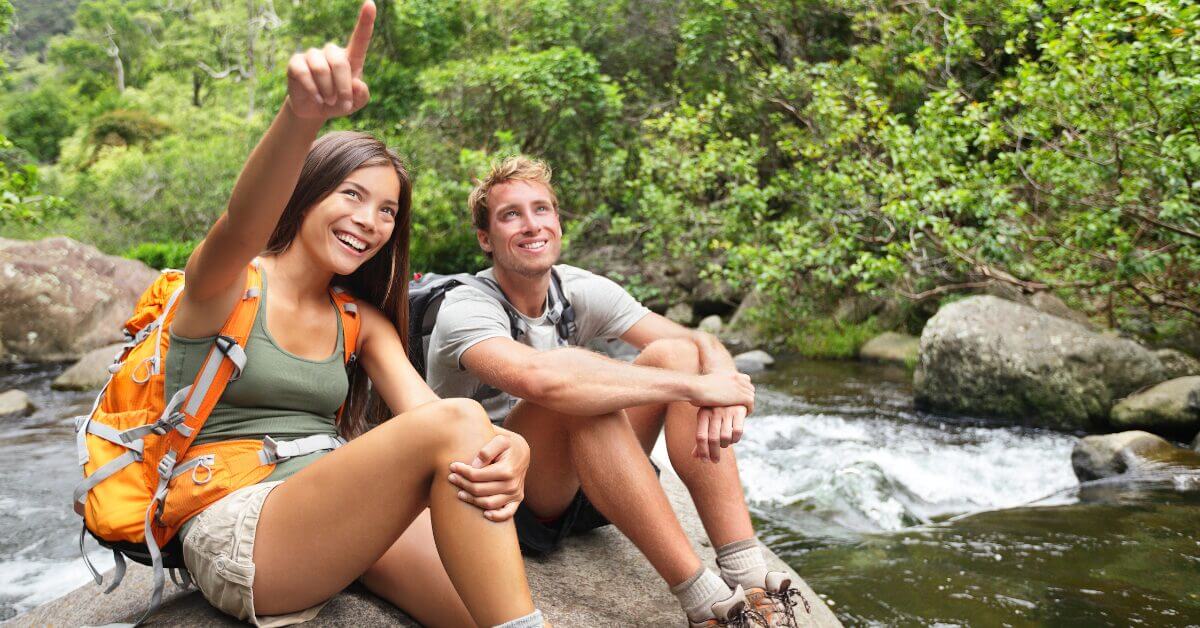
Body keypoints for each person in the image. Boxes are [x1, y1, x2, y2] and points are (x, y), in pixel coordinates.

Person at [167, 3, 546, 626]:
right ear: (306, 194)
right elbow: (241, 225)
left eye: (387, 211)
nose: (369, 221)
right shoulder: (225, 283)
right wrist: (302, 117)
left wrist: (514, 449)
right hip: (238, 521)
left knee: (486, 609)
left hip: (338, 506)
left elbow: (433, 418)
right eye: (352, 194)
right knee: (462, 423)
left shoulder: (360, 321)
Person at [425, 156, 804, 627]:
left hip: (590, 483)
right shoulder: (465, 307)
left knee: (674, 354)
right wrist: (696, 386)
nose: (531, 224)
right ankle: (707, 605)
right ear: (486, 238)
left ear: (558, 221)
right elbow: (543, 380)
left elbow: (696, 343)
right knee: (577, 394)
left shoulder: (577, 288)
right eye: (511, 215)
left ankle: (748, 573)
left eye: (541, 209)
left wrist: (724, 383)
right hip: (504, 495)